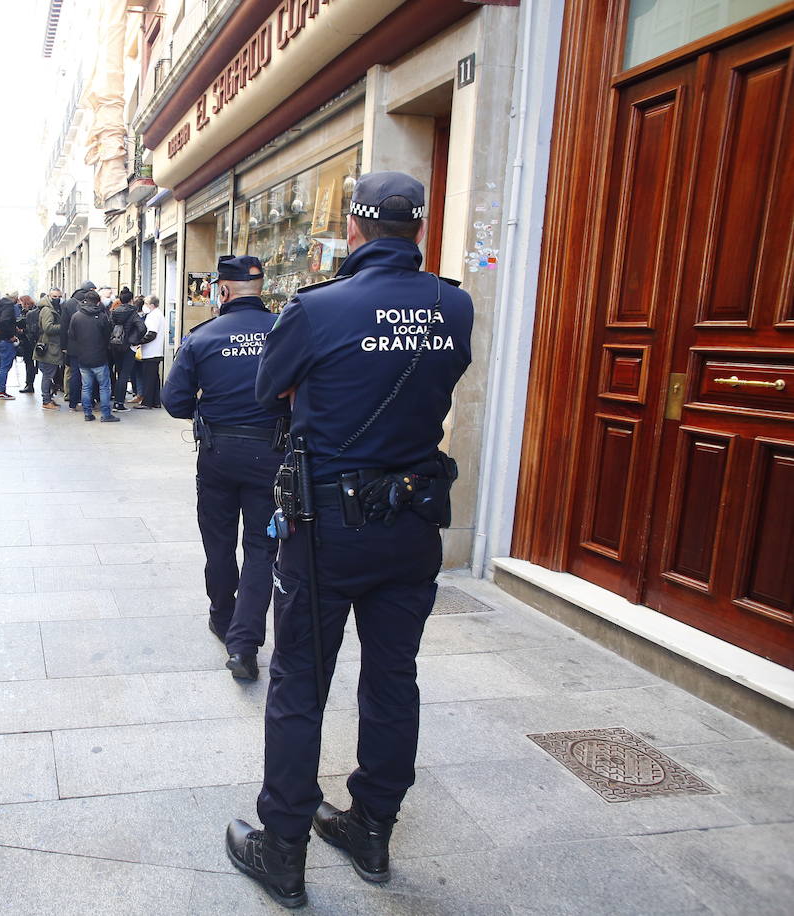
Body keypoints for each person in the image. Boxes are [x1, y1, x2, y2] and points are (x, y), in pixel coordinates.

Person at [224, 172, 473, 905]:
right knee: (394, 680)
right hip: (414, 522)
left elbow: (268, 386)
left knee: (300, 684)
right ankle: (370, 826)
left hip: (327, 530)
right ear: (418, 231)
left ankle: (285, 850)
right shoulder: (453, 305)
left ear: (355, 231)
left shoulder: (318, 307)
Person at [164, 254, 282, 686]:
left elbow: (174, 401)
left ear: (223, 290)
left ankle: (221, 614)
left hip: (216, 452)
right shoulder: (285, 330)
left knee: (218, 540)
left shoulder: (202, 337)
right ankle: (244, 644)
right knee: (260, 548)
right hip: (271, 452)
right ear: (261, 287)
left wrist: (209, 409)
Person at [67, 290, 116, 422]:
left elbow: (72, 335)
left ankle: (88, 413)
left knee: (86, 387)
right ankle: (106, 414)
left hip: (82, 357)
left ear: (84, 300)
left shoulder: (76, 316)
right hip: (100, 356)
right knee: (104, 387)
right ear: (98, 302)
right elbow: (108, 336)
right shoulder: (102, 316)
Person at [108, 291, 146, 412]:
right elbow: (142, 328)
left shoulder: (114, 312)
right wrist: (133, 340)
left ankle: (116, 401)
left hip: (115, 345)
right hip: (128, 347)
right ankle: (119, 403)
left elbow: (109, 326)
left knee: (119, 373)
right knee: (124, 375)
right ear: (130, 300)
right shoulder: (133, 313)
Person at [35, 293, 65, 409]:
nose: (57, 299)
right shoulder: (47, 310)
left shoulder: (51, 308)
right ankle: (46, 401)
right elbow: (47, 328)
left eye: (59, 296)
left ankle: (48, 399)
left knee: (49, 374)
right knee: (48, 375)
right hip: (49, 348)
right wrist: (63, 326)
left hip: (51, 347)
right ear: (49, 296)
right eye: (55, 296)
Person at [135, 295, 165, 408]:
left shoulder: (153, 316)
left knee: (148, 378)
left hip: (151, 351)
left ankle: (147, 402)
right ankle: (156, 401)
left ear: (151, 305)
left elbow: (152, 333)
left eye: (146, 303)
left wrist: (139, 341)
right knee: (154, 378)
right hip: (155, 351)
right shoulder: (158, 314)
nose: (144, 306)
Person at [0, 292, 20, 399]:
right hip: (5, 340)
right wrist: (11, 335)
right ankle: (2, 392)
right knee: (5, 366)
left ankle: (1, 390)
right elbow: (5, 321)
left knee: (1, 365)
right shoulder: (9, 306)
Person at [17, 295, 42, 394]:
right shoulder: (36, 310)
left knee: (29, 363)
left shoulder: (29, 313)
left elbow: (29, 327)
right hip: (34, 340)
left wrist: (22, 331)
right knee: (34, 364)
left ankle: (29, 384)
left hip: (28, 341)